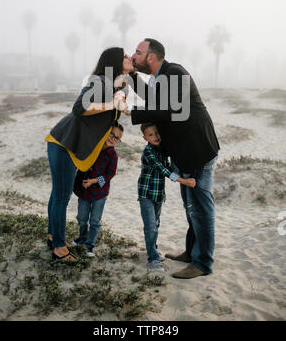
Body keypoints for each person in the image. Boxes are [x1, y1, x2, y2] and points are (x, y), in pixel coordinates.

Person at [126, 38, 220, 279]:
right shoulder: (160, 79)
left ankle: (203, 263)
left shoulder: (174, 72)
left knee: (200, 208)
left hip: (198, 151)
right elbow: (153, 98)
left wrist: (131, 111)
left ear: (152, 56)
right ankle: (191, 252)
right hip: (183, 154)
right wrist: (131, 74)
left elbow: (168, 109)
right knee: (192, 209)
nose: (134, 55)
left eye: (138, 52)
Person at [45, 47, 134, 262]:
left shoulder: (117, 85)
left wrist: (121, 99)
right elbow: (79, 108)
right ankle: (58, 247)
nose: (130, 57)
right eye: (125, 56)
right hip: (64, 143)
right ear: (115, 61)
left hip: (70, 144)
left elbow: (108, 112)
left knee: (58, 194)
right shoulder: (101, 80)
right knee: (61, 196)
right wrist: (113, 103)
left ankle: (53, 235)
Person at [138, 122, 196, 272]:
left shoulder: (162, 150)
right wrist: (184, 181)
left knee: (155, 224)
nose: (155, 137)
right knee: (150, 226)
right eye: (151, 135)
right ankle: (153, 260)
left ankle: (154, 250)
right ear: (145, 138)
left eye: (157, 133)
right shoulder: (149, 152)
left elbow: (170, 166)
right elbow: (163, 169)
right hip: (146, 194)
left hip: (158, 194)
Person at [72, 121, 123, 257]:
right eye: (111, 134)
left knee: (95, 221)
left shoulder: (113, 155)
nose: (112, 138)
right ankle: (82, 238)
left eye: (116, 138)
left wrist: (94, 181)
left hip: (100, 193)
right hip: (83, 189)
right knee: (82, 217)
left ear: (118, 141)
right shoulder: (93, 146)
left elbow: (110, 174)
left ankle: (90, 246)